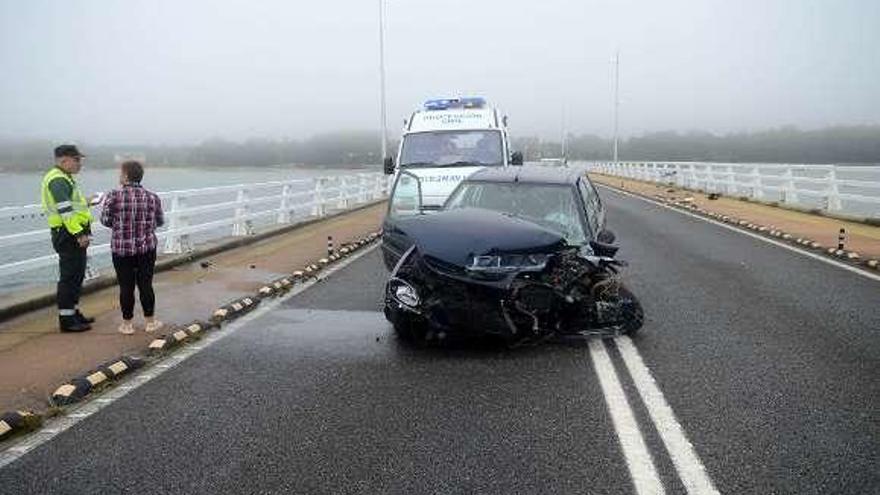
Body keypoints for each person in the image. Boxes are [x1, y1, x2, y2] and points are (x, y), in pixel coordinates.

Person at [100, 160, 164, 335]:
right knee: (145, 284)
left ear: (126, 175)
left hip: (122, 249)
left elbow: (105, 220)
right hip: (146, 248)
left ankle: (127, 325)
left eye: (121, 173)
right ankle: (150, 322)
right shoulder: (152, 197)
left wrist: (121, 225)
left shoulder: (113, 196)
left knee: (126, 286)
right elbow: (159, 221)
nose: (119, 176)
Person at [41, 144, 94, 332]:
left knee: (77, 274)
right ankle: (66, 320)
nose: (80, 164)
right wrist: (79, 234)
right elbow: (64, 211)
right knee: (69, 276)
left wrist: (87, 202)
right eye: (77, 160)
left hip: (71, 232)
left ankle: (73, 312)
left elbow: (71, 205)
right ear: (64, 160)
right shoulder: (57, 180)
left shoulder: (65, 178)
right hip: (67, 233)